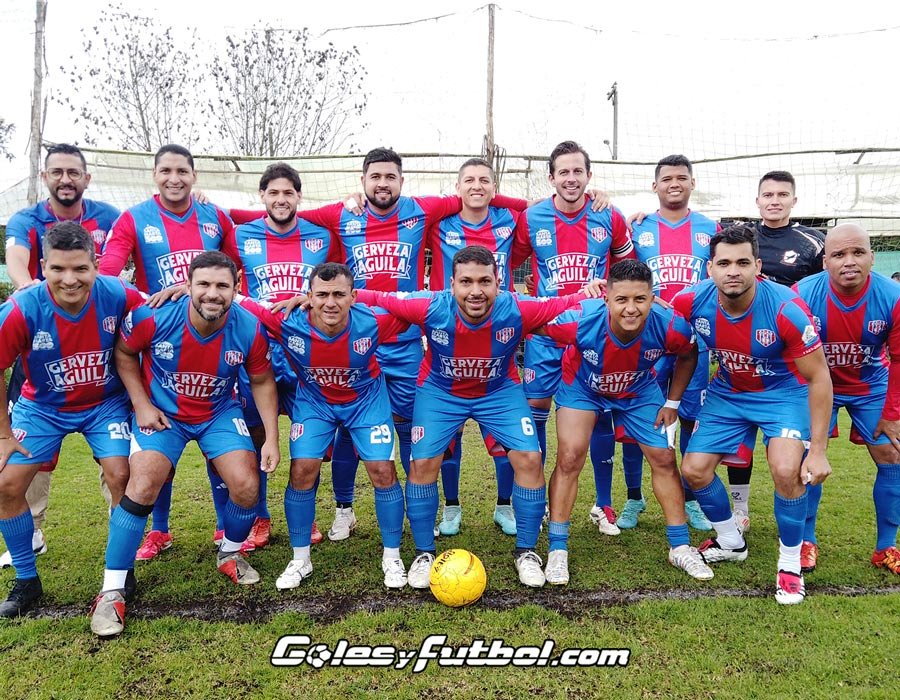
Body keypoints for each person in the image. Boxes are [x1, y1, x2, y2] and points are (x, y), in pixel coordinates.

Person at [353, 245, 604, 588]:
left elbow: (563, 303)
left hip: (498, 391)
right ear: (451, 284)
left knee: (530, 458)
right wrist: (324, 299)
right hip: (441, 393)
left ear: (498, 283)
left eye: (485, 281)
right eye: (466, 282)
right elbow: (379, 296)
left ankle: (526, 552)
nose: (475, 291)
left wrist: (591, 292)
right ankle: (425, 553)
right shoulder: (430, 305)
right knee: (423, 464)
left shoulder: (517, 308)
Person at [90, 251, 279, 637]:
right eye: (204, 284)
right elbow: (124, 353)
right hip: (163, 414)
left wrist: (272, 438)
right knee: (141, 484)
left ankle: (230, 552)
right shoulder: (153, 315)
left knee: (246, 485)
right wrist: (141, 404)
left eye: (222, 285)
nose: (213, 293)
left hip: (218, 413)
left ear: (236, 288)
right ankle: (111, 590)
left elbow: (261, 380)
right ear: (187, 285)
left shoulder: (249, 327)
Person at [674, 224, 833, 604]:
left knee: (784, 469)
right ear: (709, 268)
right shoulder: (691, 301)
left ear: (757, 266)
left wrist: (820, 449)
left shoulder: (786, 308)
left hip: (784, 393)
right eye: (724, 262)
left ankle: (790, 564)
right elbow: (645, 310)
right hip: (729, 392)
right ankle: (731, 542)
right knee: (693, 470)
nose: (733, 270)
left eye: (743, 262)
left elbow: (819, 377)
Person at [99, 144, 237, 561]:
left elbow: (236, 272)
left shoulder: (215, 216)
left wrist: (205, 297)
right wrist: (156, 299)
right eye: (165, 171)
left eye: (182, 171)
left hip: (214, 336)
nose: (174, 178)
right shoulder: (133, 218)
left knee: (220, 432)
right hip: (160, 345)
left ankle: (222, 525)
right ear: (154, 175)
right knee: (160, 437)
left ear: (194, 176)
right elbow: (109, 277)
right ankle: (158, 530)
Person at [237, 262, 411, 589]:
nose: (330, 302)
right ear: (308, 296)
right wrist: (185, 290)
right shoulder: (287, 319)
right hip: (315, 402)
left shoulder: (373, 322)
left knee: (382, 471)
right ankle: (300, 559)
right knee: (302, 470)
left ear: (353, 297)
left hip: (366, 402)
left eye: (339, 294)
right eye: (322, 294)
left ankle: (392, 556)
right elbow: (237, 299)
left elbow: (420, 311)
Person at [0, 222, 142, 618]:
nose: (70, 279)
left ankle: (122, 570)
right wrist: (3, 433)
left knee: (120, 474)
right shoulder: (20, 309)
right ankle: (27, 579)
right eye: (58, 269)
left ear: (96, 266)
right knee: (6, 484)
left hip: (104, 403)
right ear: (42, 266)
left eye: (80, 268)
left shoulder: (117, 294)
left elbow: (156, 312)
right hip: (42, 406)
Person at [539, 259, 712, 584]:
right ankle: (558, 549)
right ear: (607, 299)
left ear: (652, 297)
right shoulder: (579, 320)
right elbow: (533, 325)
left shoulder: (670, 324)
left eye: (640, 299)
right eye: (622, 300)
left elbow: (688, 354)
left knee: (663, 458)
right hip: (583, 389)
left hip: (638, 390)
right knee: (570, 457)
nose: (631, 309)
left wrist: (672, 402)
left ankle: (679, 546)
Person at [0, 144, 121, 567]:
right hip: (42, 343)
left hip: (99, 346)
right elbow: (17, 262)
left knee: (121, 467)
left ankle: (122, 539)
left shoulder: (109, 216)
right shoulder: (26, 220)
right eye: (57, 172)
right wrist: (33, 293)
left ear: (87, 178)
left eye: (74, 171)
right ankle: (29, 531)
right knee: (25, 460)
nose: (65, 179)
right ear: (44, 177)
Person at [513, 140, 633, 538]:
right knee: (536, 415)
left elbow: (628, 269)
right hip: (547, 335)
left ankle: (603, 505)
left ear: (588, 176)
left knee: (596, 414)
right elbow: (509, 264)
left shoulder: (609, 216)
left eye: (577, 171)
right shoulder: (531, 219)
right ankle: (540, 501)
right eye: (562, 172)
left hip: (594, 336)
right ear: (551, 177)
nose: (570, 178)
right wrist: (529, 305)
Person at [219, 162, 341, 549]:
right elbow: (222, 278)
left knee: (309, 440)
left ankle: (309, 512)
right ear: (262, 197)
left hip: (304, 352)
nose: (281, 199)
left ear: (299, 197)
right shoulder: (240, 236)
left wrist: (309, 298)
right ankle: (260, 517)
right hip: (258, 350)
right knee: (256, 435)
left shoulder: (322, 237)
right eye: (273, 192)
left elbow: (333, 283)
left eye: (288, 192)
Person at [620, 154, 719, 532]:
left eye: (682, 177)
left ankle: (691, 498)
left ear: (693, 183)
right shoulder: (638, 230)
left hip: (694, 341)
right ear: (655, 186)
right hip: (645, 340)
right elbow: (625, 276)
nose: (674, 183)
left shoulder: (711, 228)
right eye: (667, 178)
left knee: (690, 415)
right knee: (635, 418)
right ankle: (633, 497)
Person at [794, 223, 900, 574]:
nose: (849, 261)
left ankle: (885, 547)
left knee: (892, 455)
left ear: (873, 256)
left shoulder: (893, 297)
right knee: (806, 459)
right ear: (825, 262)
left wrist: (894, 412)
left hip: (870, 385)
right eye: (839, 254)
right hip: (814, 386)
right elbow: (788, 354)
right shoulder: (802, 294)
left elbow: (899, 360)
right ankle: (806, 541)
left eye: (858, 253)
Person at [725, 171, 827, 531]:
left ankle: (803, 527)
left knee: (787, 449)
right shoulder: (741, 237)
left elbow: (821, 291)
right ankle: (740, 510)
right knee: (739, 442)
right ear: (757, 201)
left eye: (782, 194)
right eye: (767, 194)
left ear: (794, 201)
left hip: (789, 359)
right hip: (740, 352)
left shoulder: (812, 242)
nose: (774, 200)